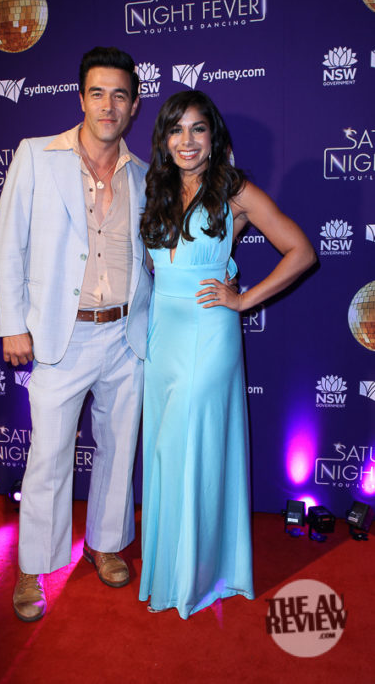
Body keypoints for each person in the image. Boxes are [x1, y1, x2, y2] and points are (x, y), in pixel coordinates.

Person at [138, 90, 316, 619]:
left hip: (208, 332)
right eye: (176, 130)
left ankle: (192, 577)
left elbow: (301, 251)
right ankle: (172, 566)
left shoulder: (234, 190)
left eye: (198, 129)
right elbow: (156, 264)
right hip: (162, 335)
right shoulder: (157, 187)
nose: (187, 141)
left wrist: (242, 299)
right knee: (167, 452)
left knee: (191, 445)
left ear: (214, 137)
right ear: (164, 139)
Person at [0, 47, 152, 622]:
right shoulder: (37, 156)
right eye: (98, 93)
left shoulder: (143, 174)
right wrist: (13, 324)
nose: (108, 105)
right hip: (62, 337)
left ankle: (104, 544)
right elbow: (7, 245)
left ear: (134, 106)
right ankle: (33, 565)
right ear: (81, 98)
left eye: (119, 95)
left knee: (119, 449)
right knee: (49, 457)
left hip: (127, 336)